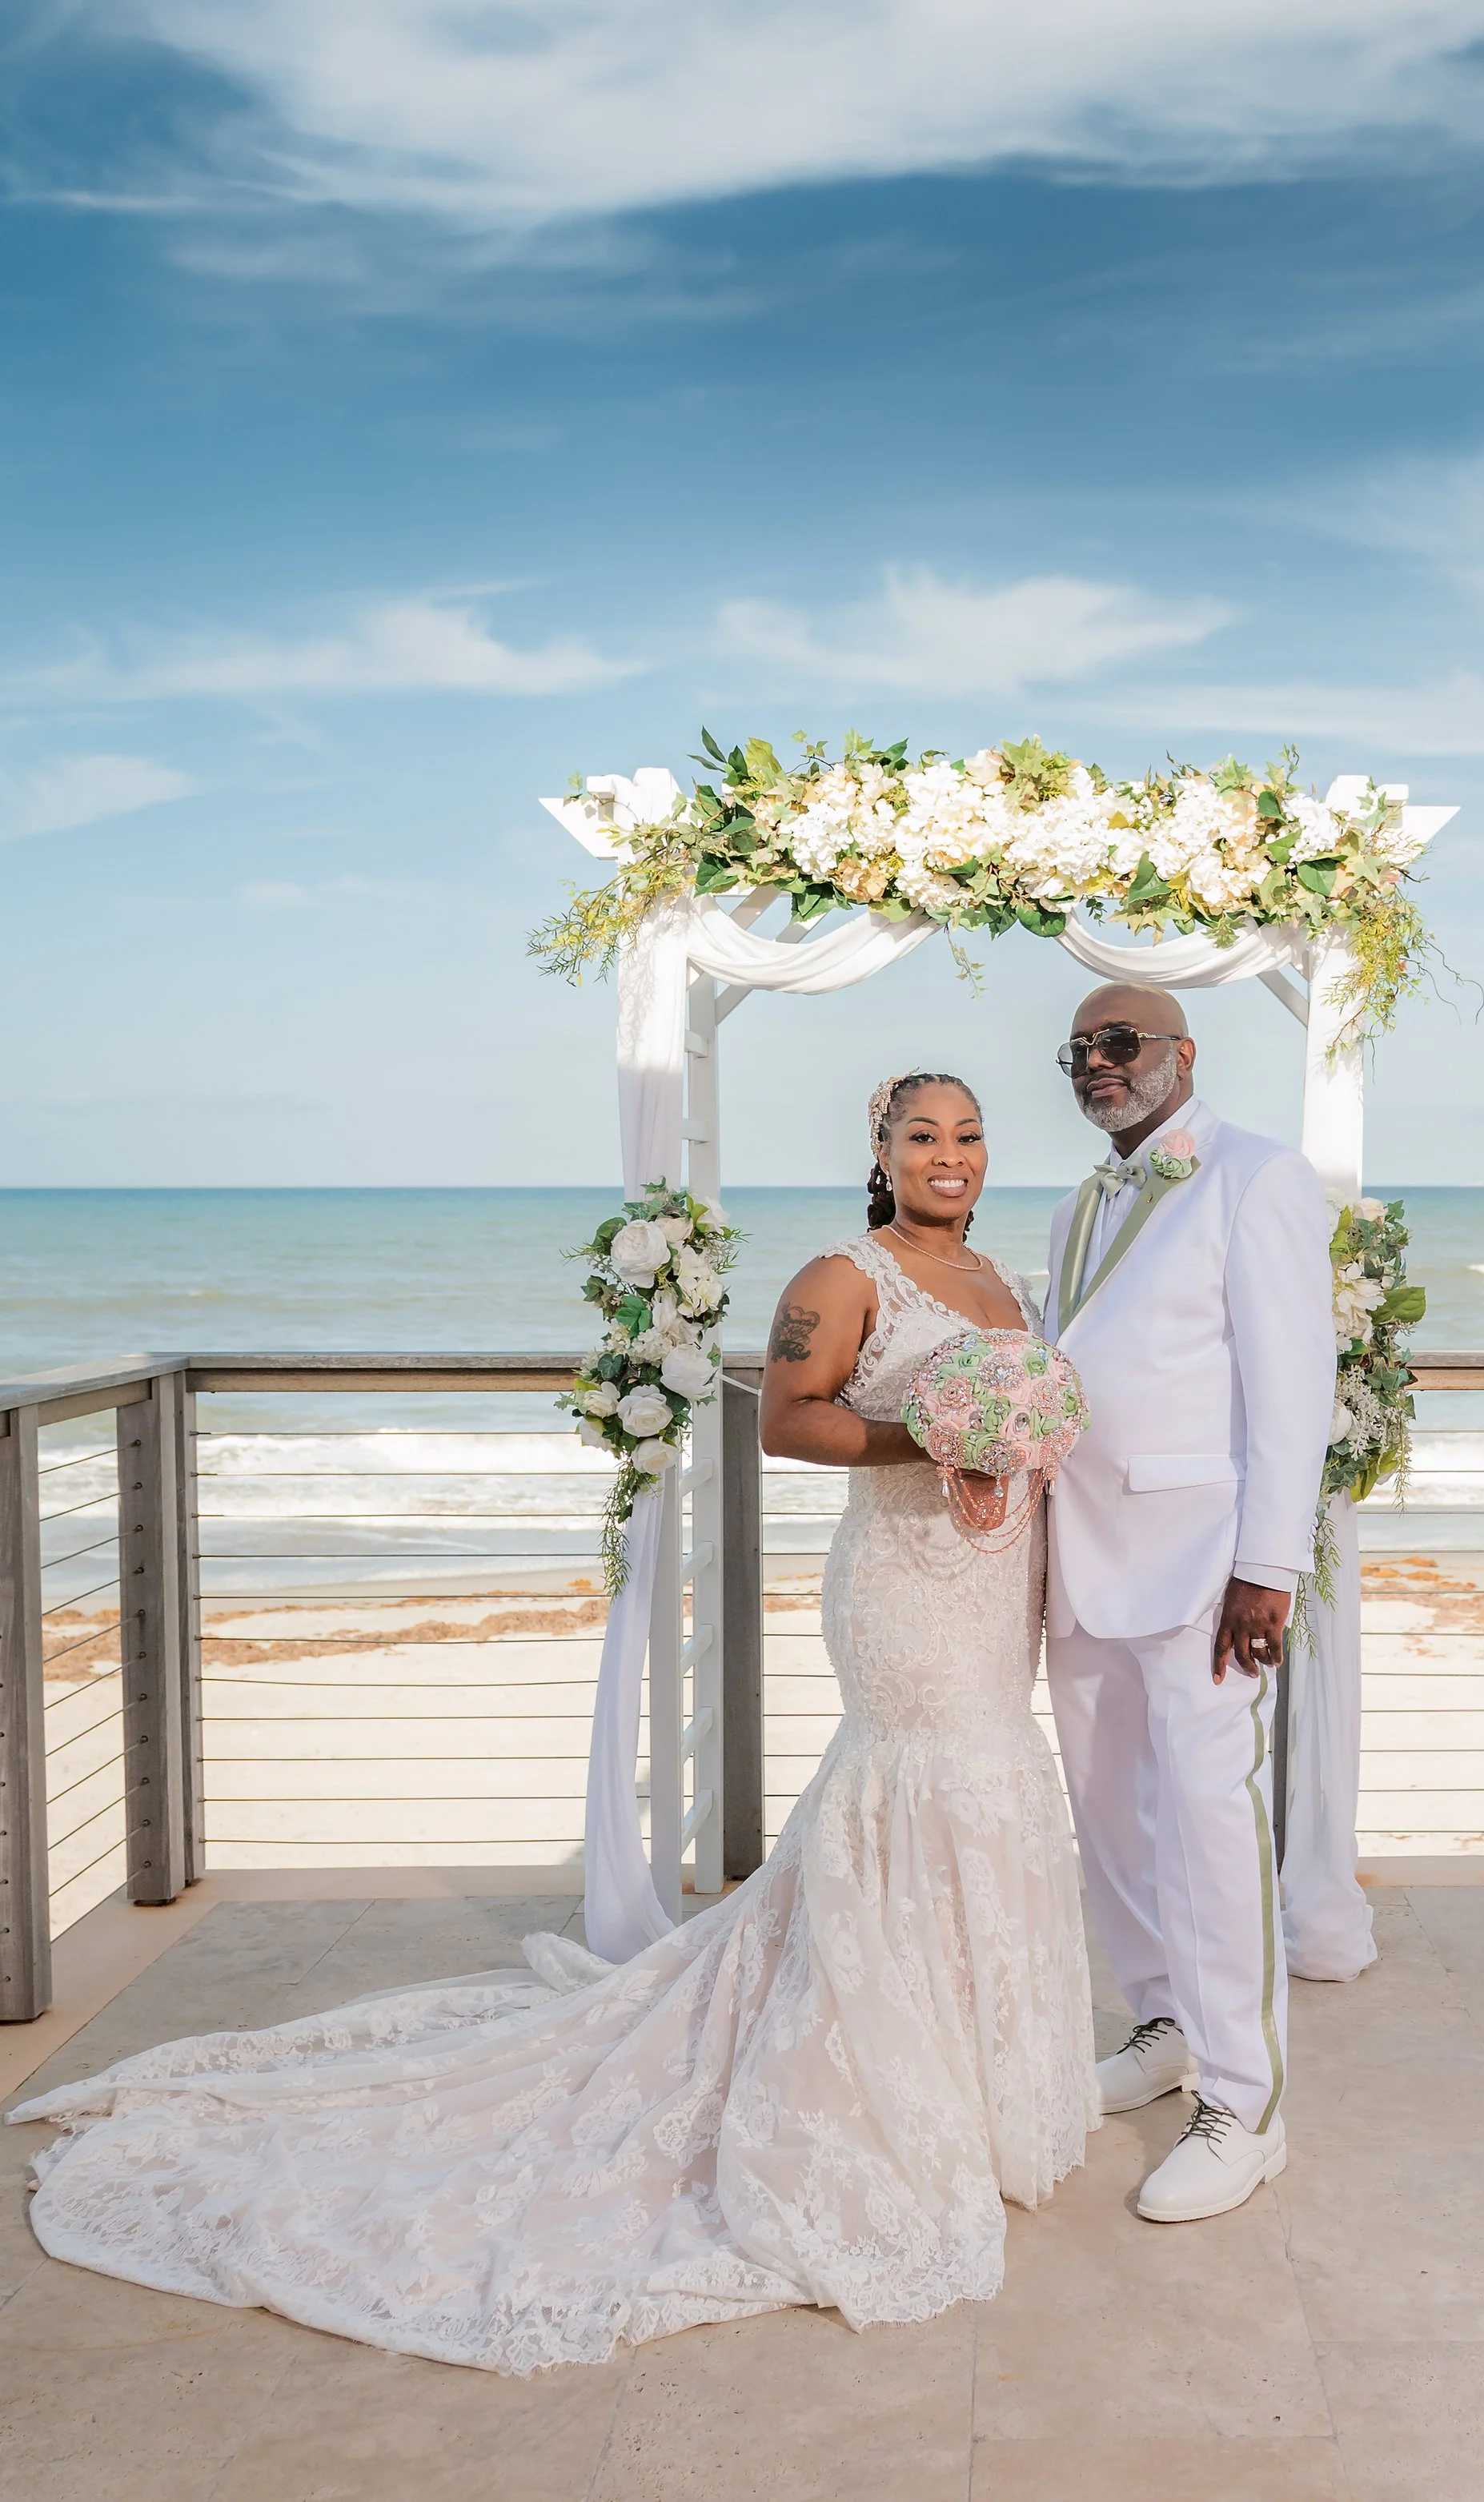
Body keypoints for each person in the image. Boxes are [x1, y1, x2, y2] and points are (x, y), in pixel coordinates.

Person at [11, 1073, 1097, 2374]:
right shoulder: (840, 1273)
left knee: (989, 1785)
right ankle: (881, 2086)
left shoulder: (1003, 1282)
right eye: (924, 1135)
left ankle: (973, 2090)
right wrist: (931, 1437)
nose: (951, 1156)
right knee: (919, 1790)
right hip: (905, 1597)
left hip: (992, 1587)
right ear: (881, 1150)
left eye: (969, 1136)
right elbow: (791, 1422)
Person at [1042, 982, 1337, 2223]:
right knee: (1109, 1812)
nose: (1101, 1064)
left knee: (1214, 1827)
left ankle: (1243, 2103)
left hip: (1205, 1564)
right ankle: (1161, 2022)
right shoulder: (1079, 1203)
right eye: (1081, 1051)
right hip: (1080, 1556)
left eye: (1124, 1044)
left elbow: (1292, 1388)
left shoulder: (1257, 1178)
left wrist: (1267, 1570)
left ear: (1181, 1055)